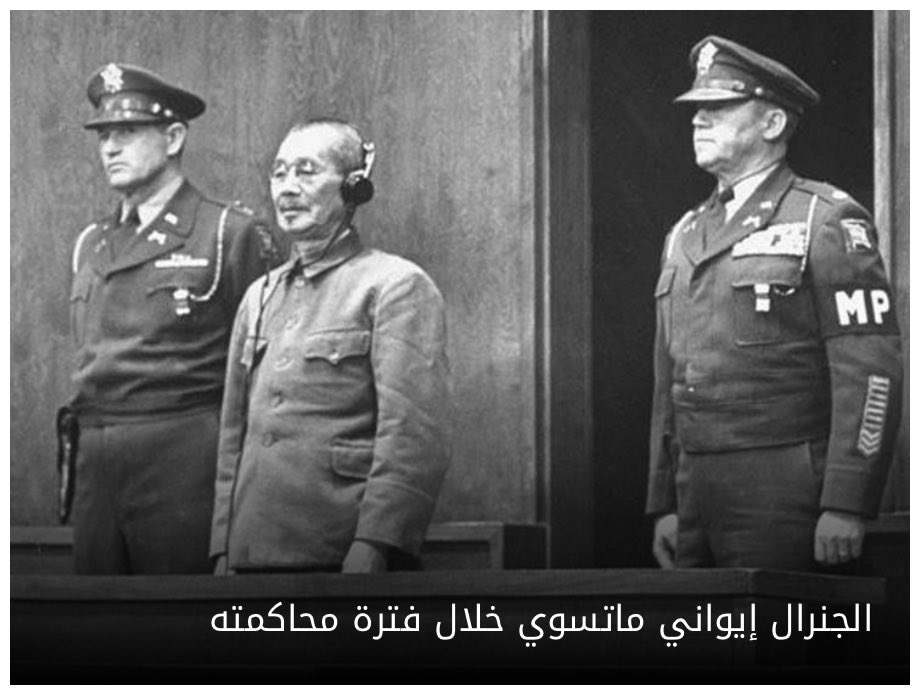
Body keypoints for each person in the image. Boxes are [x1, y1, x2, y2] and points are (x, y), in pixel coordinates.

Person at [647, 37, 902, 571]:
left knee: (775, 622)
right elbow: (668, 379)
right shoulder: (684, 234)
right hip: (694, 490)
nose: (698, 119)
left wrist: (848, 500)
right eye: (697, 108)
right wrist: (665, 501)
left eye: (719, 106)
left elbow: (869, 372)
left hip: (786, 488)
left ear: (772, 123)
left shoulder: (824, 219)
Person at [65, 63, 279, 574]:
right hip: (95, 458)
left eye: (127, 132)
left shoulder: (228, 233)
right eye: (104, 136)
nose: (110, 148)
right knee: (93, 613)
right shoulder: (90, 244)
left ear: (174, 137)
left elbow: (264, 375)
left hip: (184, 455)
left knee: (179, 613)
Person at [210, 119, 451, 574]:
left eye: (306, 171)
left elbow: (413, 435)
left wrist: (377, 543)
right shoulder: (259, 296)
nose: (287, 187)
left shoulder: (394, 286)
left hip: (343, 552)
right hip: (251, 552)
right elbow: (232, 436)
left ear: (353, 187)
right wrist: (223, 547)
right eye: (279, 172)